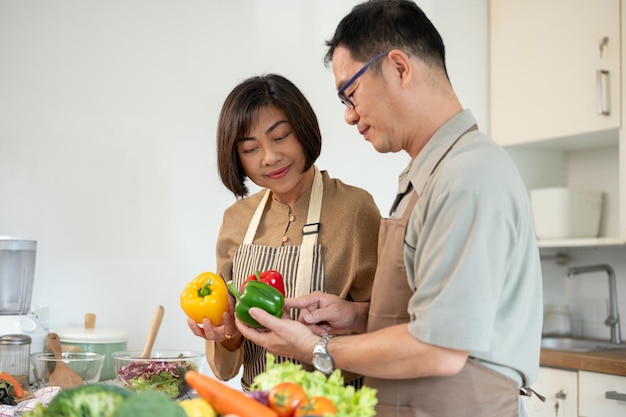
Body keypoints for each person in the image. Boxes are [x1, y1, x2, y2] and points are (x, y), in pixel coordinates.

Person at [234, 1, 544, 416]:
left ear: (399, 67)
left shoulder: (468, 177)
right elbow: (430, 315)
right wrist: (357, 316)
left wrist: (318, 347)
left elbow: (440, 349)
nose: (348, 115)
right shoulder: (431, 175)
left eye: (351, 92)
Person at [187, 73, 381, 390]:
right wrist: (228, 335)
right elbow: (226, 363)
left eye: (280, 137)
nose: (270, 157)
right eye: (250, 149)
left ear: (303, 130)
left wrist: (346, 324)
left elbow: (389, 325)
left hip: (333, 407)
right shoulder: (236, 220)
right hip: (257, 407)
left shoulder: (355, 209)